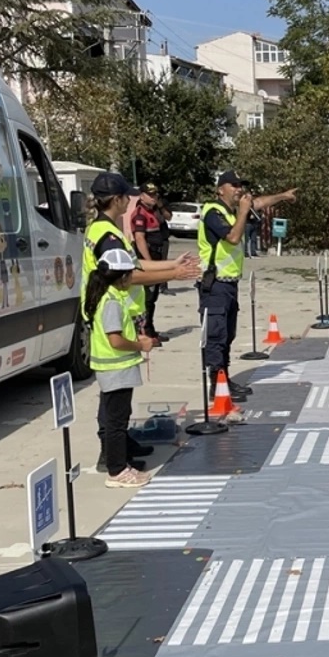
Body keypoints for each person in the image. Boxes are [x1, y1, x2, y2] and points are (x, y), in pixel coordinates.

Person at [83, 172, 200, 469]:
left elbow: (133, 263)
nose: (131, 200)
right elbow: (127, 274)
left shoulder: (106, 229)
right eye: (128, 196)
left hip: (114, 314)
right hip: (111, 318)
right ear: (119, 199)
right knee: (114, 397)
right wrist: (174, 275)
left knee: (117, 395)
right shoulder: (107, 236)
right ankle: (112, 453)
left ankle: (118, 444)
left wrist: (171, 264)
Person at [197, 171, 297, 402]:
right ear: (220, 189)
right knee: (216, 335)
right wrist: (243, 211)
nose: (239, 189)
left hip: (229, 284)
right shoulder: (213, 212)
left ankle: (224, 378)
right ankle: (216, 384)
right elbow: (232, 238)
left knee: (228, 334)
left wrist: (282, 195)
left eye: (241, 185)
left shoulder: (232, 212)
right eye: (234, 185)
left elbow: (259, 202)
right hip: (215, 285)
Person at [85, 248, 154, 488]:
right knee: (116, 422)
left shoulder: (106, 295)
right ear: (122, 277)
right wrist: (140, 344)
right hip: (116, 369)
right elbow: (115, 339)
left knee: (116, 418)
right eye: (130, 275)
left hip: (114, 369)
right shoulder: (111, 301)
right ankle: (117, 471)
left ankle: (122, 461)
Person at [129, 183, 172, 345]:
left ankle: (150, 329)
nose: (153, 197)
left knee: (152, 298)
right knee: (146, 298)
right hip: (147, 258)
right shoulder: (140, 214)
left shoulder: (154, 210)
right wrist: (148, 263)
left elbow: (168, 217)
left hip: (156, 255)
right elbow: (140, 239)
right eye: (150, 194)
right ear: (141, 195)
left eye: (155, 195)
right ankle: (145, 331)